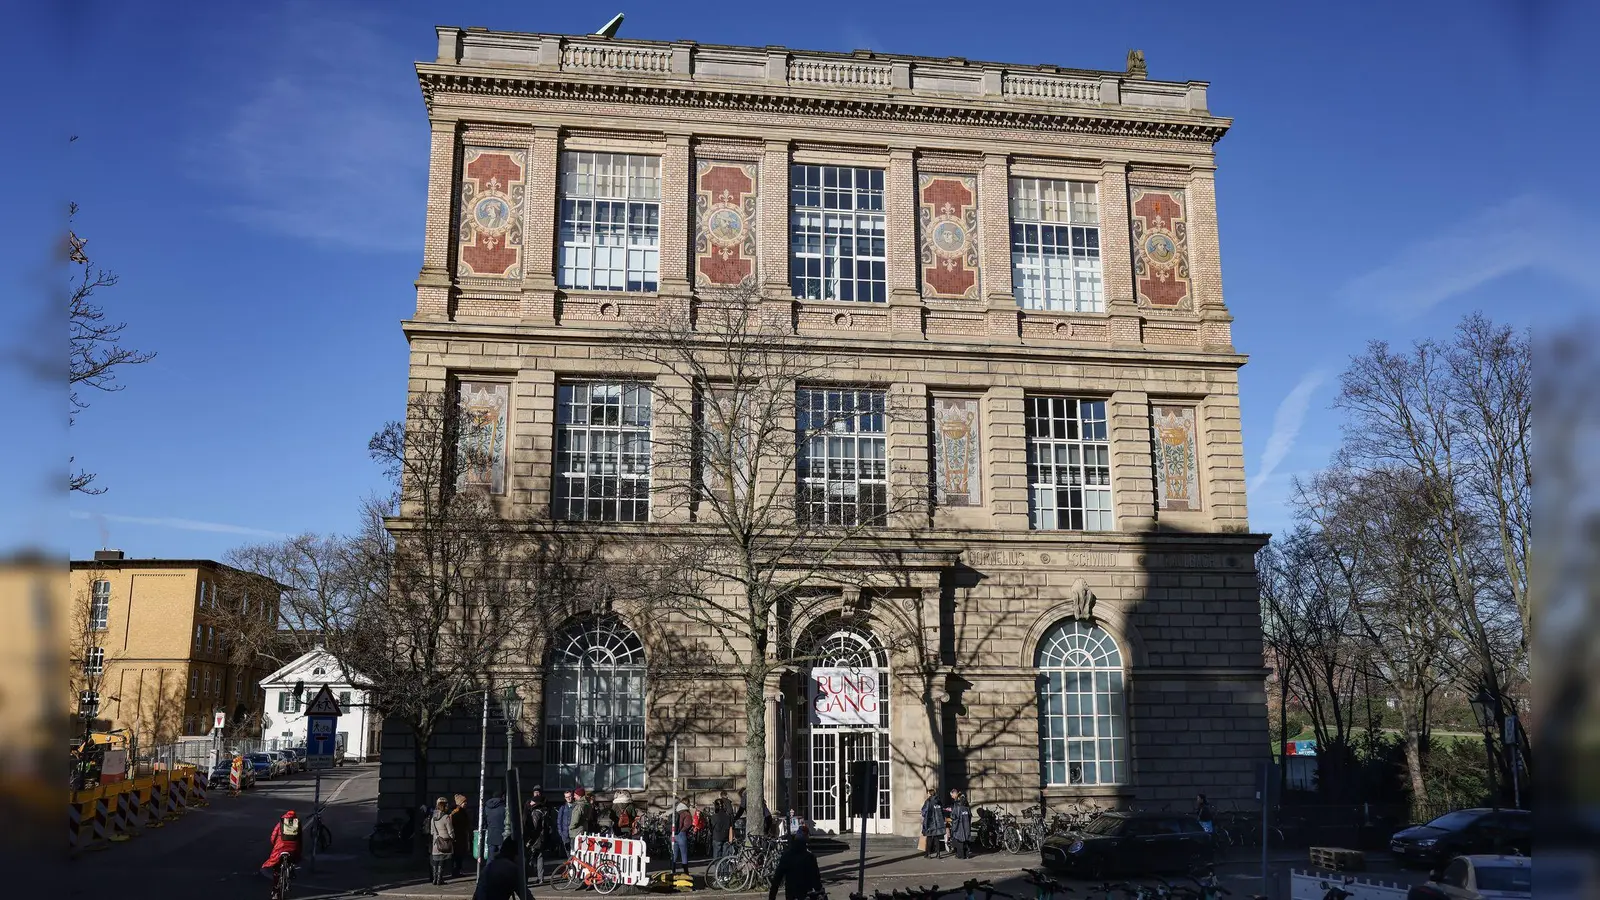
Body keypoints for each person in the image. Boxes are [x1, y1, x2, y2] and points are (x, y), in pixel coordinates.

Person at [767, 829, 824, 900]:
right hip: (806, 893)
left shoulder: (786, 856)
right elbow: (816, 878)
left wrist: (772, 896)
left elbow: (777, 878)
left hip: (791, 893)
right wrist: (820, 891)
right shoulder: (809, 857)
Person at [260, 809, 303, 889]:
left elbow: (273, 836)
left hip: (280, 847)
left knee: (276, 867)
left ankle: (276, 888)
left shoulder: (281, 823)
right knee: (292, 859)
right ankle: (290, 871)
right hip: (292, 848)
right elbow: (299, 838)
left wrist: (274, 845)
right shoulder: (297, 823)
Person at [428, 797, 456, 885]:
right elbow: (450, 830)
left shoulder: (433, 818)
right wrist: (453, 838)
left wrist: (437, 836)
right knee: (442, 860)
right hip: (445, 841)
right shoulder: (446, 817)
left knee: (435, 860)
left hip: (436, 842)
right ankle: (440, 879)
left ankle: (434, 879)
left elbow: (432, 831)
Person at [525, 790, 551, 884]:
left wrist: (529, 839)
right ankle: (541, 878)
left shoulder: (535, 813)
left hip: (535, 839)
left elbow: (534, 827)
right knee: (540, 858)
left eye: (532, 801)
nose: (530, 802)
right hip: (542, 838)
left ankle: (526, 878)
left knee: (529, 858)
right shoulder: (544, 811)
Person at [919, 788, 944, 858]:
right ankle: (938, 854)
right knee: (937, 838)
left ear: (929, 794)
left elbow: (924, 811)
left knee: (929, 838)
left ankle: (928, 854)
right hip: (938, 822)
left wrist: (923, 814)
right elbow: (941, 810)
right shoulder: (938, 801)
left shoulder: (928, 801)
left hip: (930, 822)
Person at [451, 793, 471, 877]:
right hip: (458, 837)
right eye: (464, 802)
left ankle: (457, 871)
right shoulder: (456, 812)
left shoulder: (462, 812)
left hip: (461, 837)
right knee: (457, 855)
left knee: (460, 855)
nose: (465, 803)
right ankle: (456, 871)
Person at [670, 799, 693, 875]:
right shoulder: (686, 814)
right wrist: (682, 830)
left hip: (673, 835)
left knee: (674, 854)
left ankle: (673, 871)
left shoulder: (676, 812)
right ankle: (686, 873)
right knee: (684, 854)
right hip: (681, 835)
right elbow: (687, 825)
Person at [948, 788, 972, 860]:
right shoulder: (966, 803)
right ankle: (967, 854)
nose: (952, 797)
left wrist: (951, 813)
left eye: (952, 795)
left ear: (955, 794)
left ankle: (961, 855)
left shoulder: (957, 804)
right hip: (966, 823)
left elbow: (954, 815)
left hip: (959, 824)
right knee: (966, 839)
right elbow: (970, 814)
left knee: (959, 840)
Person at [484, 791, 507, 859]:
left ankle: (489, 868)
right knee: (502, 857)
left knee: (490, 857)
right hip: (501, 833)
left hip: (491, 833)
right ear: (502, 797)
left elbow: (484, 819)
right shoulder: (504, 807)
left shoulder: (487, 807)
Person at [710, 796, 735, 861]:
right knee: (725, 858)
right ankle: (724, 870)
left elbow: (711, 827)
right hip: (726, 837)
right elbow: (731, 827)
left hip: (717, 837)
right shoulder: (728, 816)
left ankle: (717, 870)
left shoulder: (714, 817)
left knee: (716, 857)